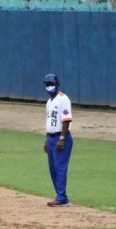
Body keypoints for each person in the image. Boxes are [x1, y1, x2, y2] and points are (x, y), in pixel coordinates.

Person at [42, 73, 73, 207]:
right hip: (51, 138)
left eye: (52, 84)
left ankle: (61, 197)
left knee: (60, 168)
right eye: (47, 84)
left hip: (62, 137)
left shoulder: (63, 99)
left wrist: (62, 138)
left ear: (57, 84)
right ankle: (61, 196)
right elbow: (50, 122)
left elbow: (66, 120)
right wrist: (46, 139)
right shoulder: (49, 102)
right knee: (53, 169)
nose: (50, 87)